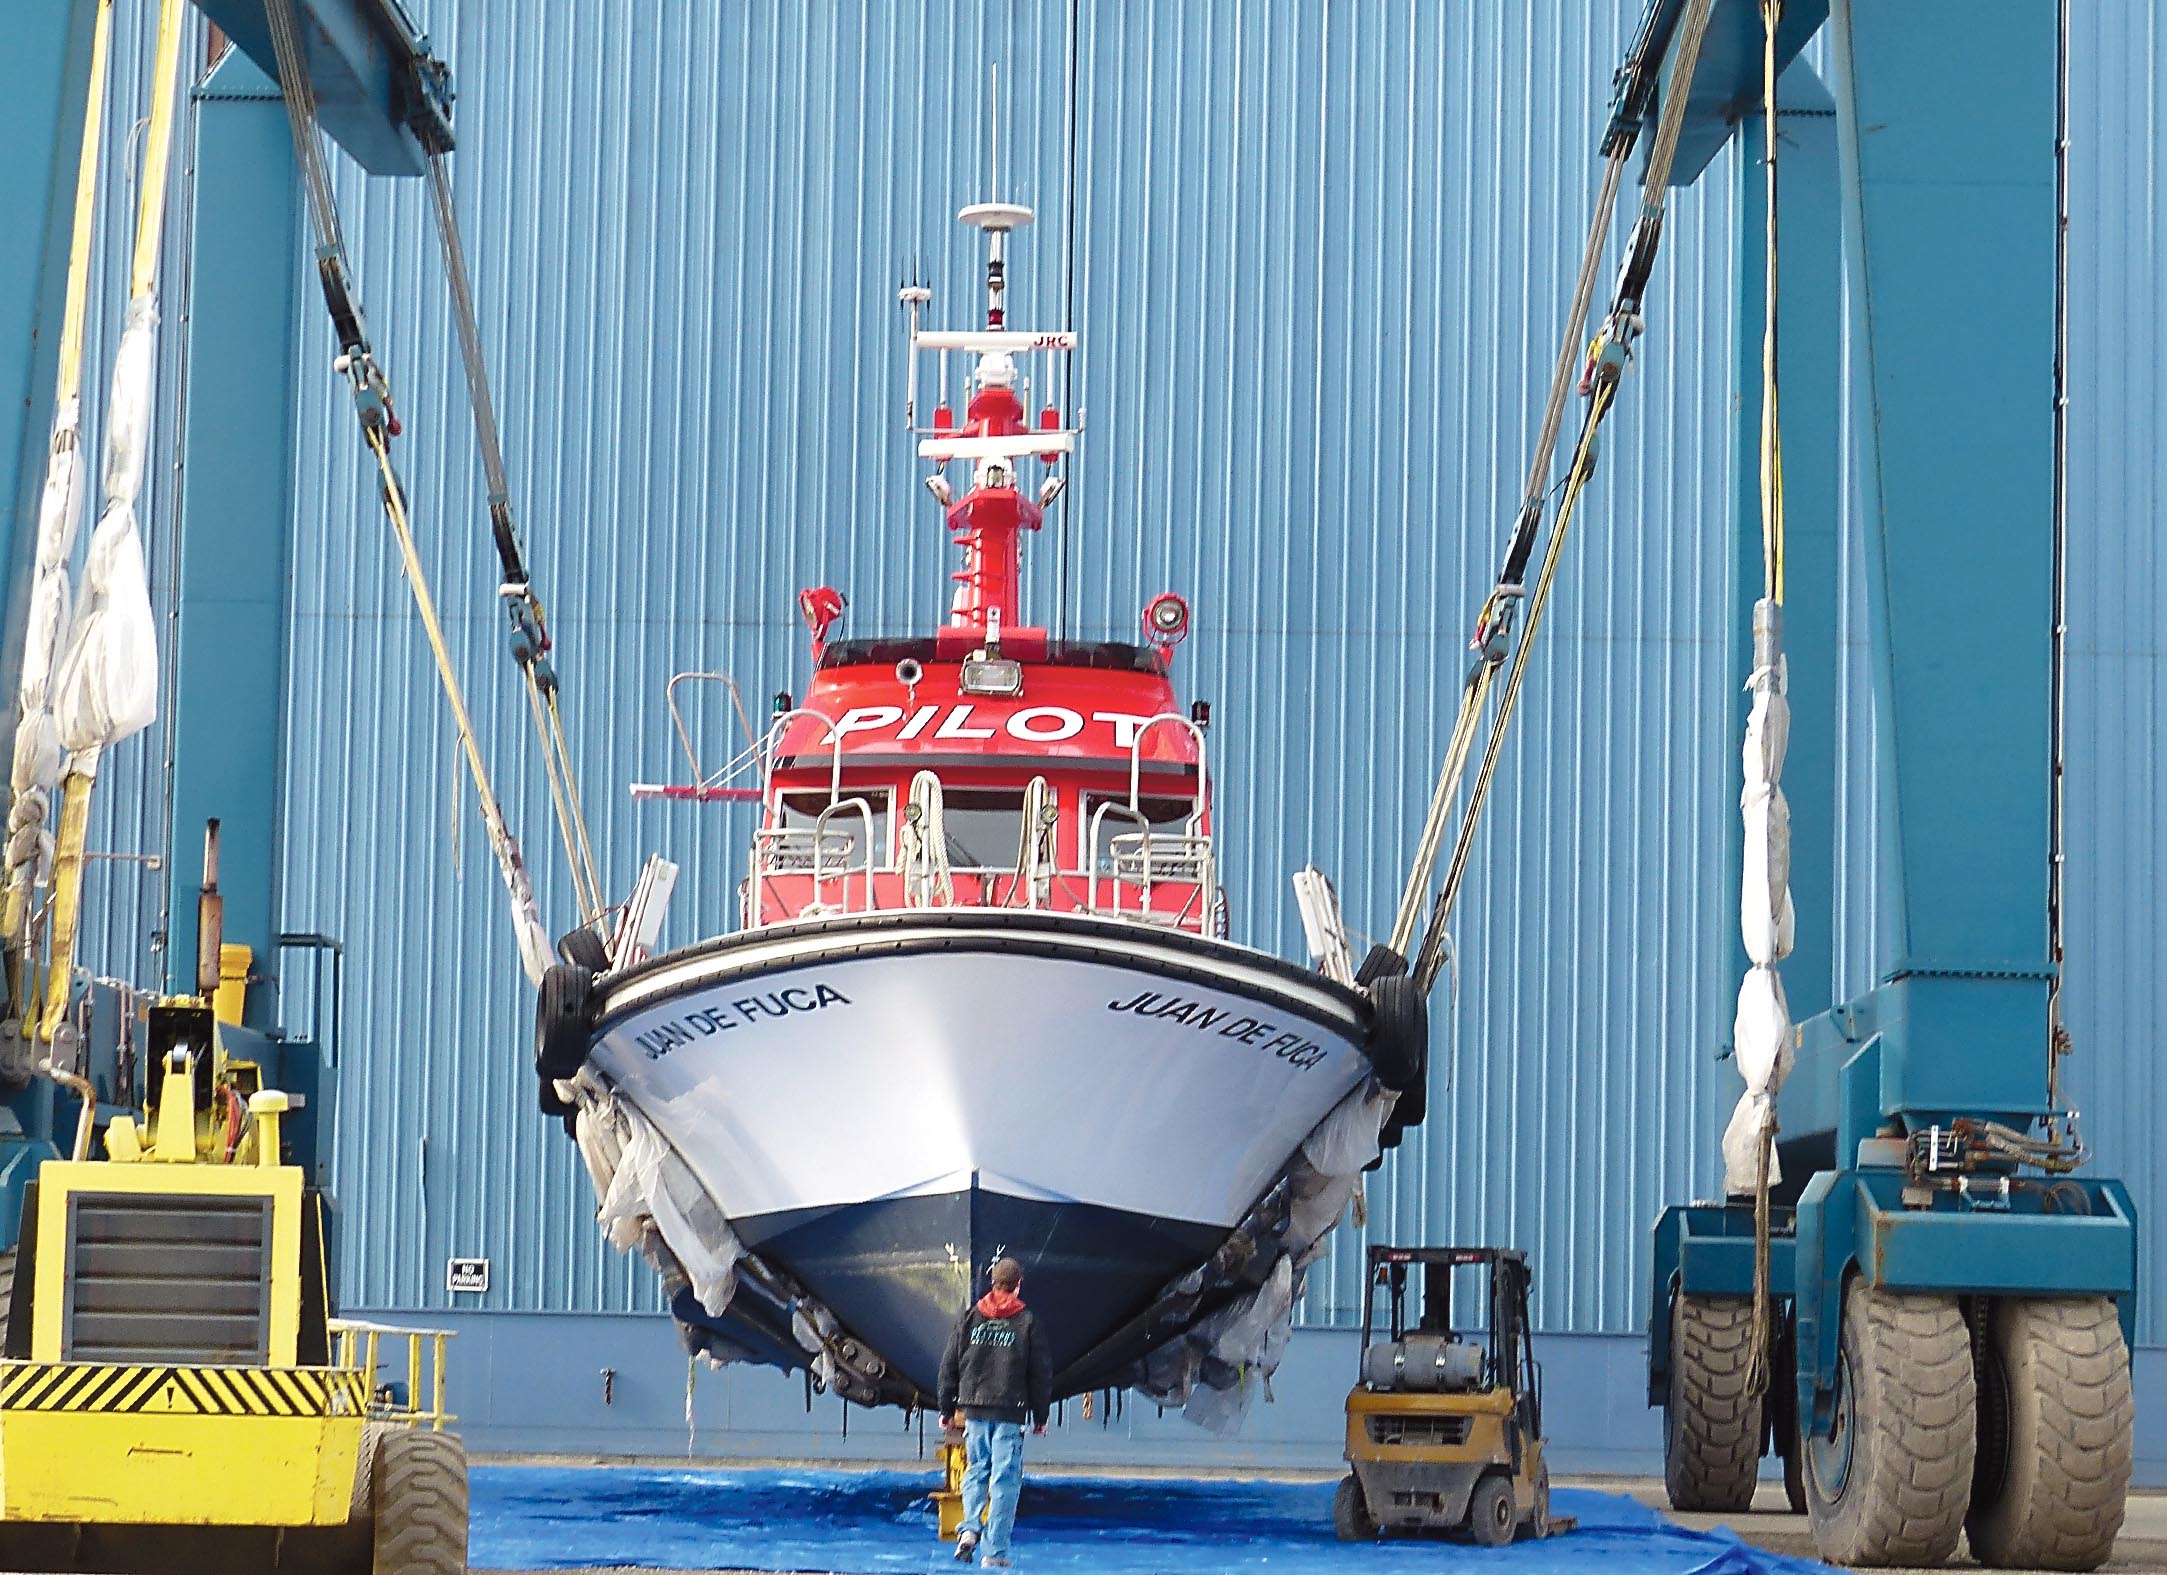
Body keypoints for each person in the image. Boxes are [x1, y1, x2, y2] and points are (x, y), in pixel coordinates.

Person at [937, 1256, 1053, 1567]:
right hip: (1009, 1411)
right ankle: (995, 1552)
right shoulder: (1027, 1322)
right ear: (1018, 1285)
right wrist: (1040, 1416)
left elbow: (949, 1365)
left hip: (974, 1409)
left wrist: (946, 1408)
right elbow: (1040, 1373)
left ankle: (968, 1530)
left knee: (977, 1470)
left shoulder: (970, 1317)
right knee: (1004, 1480)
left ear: (992, 1283)